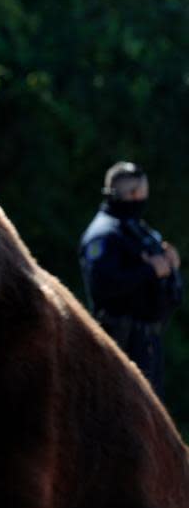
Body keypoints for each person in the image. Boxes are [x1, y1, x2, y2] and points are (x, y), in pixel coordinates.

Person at [79, 161, 183, 397]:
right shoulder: (103, 235)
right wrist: (149, 271)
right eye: (140, 193)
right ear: (134, 194)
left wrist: (168, 265)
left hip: (145, 343)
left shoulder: (135, 231)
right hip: (122, 343)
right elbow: (102, 284)